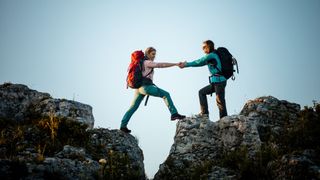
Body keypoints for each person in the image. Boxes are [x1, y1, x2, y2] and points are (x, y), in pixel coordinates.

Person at [120, 47, 186, 133]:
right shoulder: (147, 62)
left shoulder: (141, 63)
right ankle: (174, 114)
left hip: (139, 89)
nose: (154, 56)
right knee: (166, 94)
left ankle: (123, 126)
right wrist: (176, 64)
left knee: (133, 107)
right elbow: (161, 65)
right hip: (146, 87)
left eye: (155, 54)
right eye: (152, 54)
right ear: (147, 54)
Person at [179, 40, 228, 119]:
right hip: (215, 82)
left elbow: (198, 61)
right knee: (202, 92)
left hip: (219, 81)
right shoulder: (210, 57)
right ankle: (204, 114)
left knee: (220, 101)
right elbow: (200, 63)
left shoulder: (212, 55)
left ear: (209, 47)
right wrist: (187, 64)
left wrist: (186, 64)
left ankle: (224, 119)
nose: (203, 49)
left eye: (204, 47)